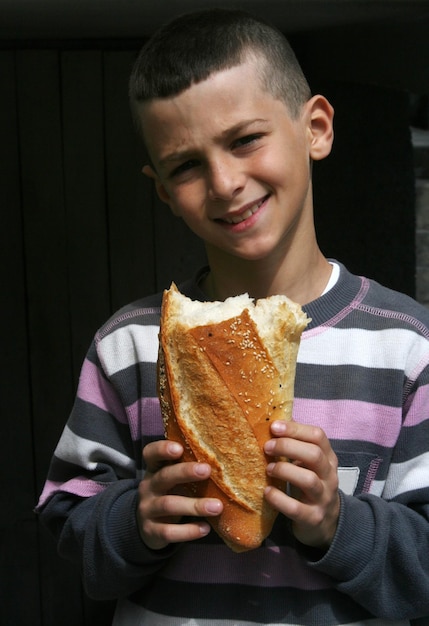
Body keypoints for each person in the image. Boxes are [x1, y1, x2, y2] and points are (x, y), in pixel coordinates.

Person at [36, 8, 429, 626]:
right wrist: (134, 521)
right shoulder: (130, 346)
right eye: (186, 166)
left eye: (246, 140)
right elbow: (69, 528)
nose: (223, 182)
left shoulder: (406, 347)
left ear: (316, 129)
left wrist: (336, 521)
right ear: (163, 190)